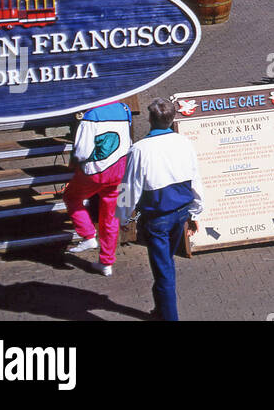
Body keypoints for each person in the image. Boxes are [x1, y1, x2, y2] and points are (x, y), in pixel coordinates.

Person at [116, 99, 204, 322]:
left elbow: (129, 187)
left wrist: (124, 217)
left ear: (150, 119)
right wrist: (195, 212)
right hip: (181, 213)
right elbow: (196, 179)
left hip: (157, 218)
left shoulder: (139, 149)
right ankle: (160, 310)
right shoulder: (184, 142)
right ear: (172, 119)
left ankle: (168, 316)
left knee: (164, 270)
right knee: (165, 263)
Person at [63, 101, 132, 276]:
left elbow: (82, 152)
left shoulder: (92, 115)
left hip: (95, 172)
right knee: (110, 217)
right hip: (119, 171)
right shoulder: (125, 108)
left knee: (71, 197)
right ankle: (106, 263)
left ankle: (88, 235)